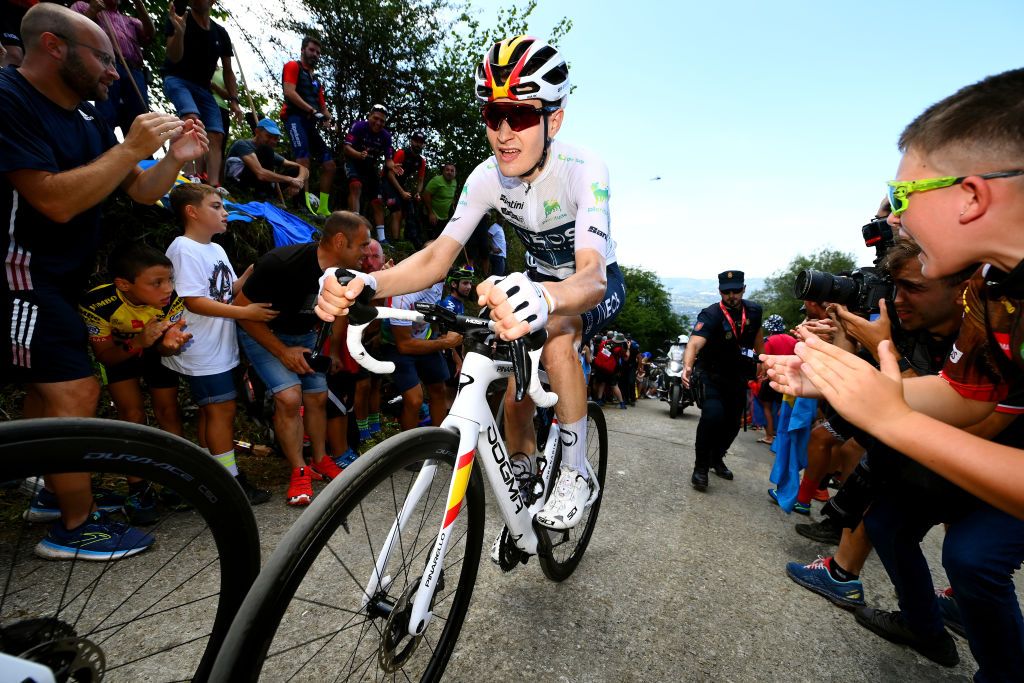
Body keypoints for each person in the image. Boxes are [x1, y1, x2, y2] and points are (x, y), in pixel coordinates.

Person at [763, 68, 1024, 683]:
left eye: (902, 199)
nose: (891, 227)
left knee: (972, 556)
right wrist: (845, 381)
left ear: (970, 196)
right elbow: (962, 398)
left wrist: (893, 418)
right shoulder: (992, 294)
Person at [316, 35, 624, 532]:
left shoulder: (584, 169)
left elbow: (590, 276)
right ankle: (522, 464)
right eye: (492, 116)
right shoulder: (485, 177)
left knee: (559, 340)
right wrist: (368, 283)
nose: (503, 132)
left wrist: (548, 297)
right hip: (538, 281)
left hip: (589, 284)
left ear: (554, 119)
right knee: (511, 371)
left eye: (520, 116)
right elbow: (438, 257)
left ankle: (574, 470)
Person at [1, 2, 207, 561]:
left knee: (49, 391)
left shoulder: (86, 118)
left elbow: (139, 191)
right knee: (75, 389)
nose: (114, 72)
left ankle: (47, 489)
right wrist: (130, 148)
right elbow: (52, 201)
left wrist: (171, 159)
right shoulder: (9, 97)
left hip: (57, 275)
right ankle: (74, 525)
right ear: (53, 46)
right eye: (102, 57)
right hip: (20, 273)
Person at [235, 211, 371, 505]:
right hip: (262, 332)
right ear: (339, 241)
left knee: (317, 397)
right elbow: (241, 311)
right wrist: (282, 352)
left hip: (305, 336)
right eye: (362, 245)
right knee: (289, 397)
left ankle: (320, 459)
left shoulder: (347, 275)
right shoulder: (281, 264)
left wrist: (331, 350)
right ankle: (299, 470)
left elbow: (335, 313)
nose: (367, 252)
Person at [163, 183, 273, 505]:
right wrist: (244, 311)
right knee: (220, 410)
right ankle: (229, 483)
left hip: (220, 347)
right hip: (199, 349)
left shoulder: (216, 248)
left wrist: (251, 274)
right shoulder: (183, 249)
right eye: (216, 206)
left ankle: (207, 478)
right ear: (192, 212)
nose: (225, 213)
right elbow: (193, 301)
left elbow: (223, 291)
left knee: (214, 412)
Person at [79, 243, 191, 523]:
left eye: (169, 280)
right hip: (122, 352)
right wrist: (139, 342)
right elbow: (106, 357)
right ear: (123, 284)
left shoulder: (173, 299)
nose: (167, 288)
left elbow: (168, 349)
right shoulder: (97, 303)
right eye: (157, 283)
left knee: (168, 411)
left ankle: (174, 480)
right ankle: (138, 488)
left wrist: (169, 345)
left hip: (155, 353)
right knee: (131, 415)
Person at [683, 270, 764, 491]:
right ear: (720, 292)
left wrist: (762, 360)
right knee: (712, 416)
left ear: (744, 289)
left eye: (736, 291)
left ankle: (716, 458)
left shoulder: (754, 311)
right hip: (711, 375)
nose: (732, 296)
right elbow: (694, 343)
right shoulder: (711, 314)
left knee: (732, 425)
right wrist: (688, 366)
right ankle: (700, 469)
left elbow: (757, 335)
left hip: (738, 376)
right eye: (727, 292)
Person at [163, 0, 242, 190]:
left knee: (216, 133)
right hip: (177, 79)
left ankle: (213, 184)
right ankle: (190, 175)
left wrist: (233, 100)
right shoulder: (180, 18)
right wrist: (180, 33)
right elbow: (173, 56)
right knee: (191, 119)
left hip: (204, 88)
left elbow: (228, 71)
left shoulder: (220, 33)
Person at [379, 275, 463, 431]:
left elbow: (434, 311)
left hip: (426, 339)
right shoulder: (403, 294)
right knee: (414, 400)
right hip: (397, 345)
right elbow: (404, 346)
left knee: (439, 390)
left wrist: (440, 336)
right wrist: (445, 343)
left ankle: (439, 440)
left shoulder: (439, 278)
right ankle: (409, 448)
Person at [72, 0, 153, 138]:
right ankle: (103, 152)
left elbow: (149, 34)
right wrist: (92, 11)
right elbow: (71, 31)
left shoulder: (129, 20)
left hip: (134, 71)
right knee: (106, 115)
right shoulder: (83, 6)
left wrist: (139, 4)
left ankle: (144, 157)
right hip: (105, 67)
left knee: (140, 119)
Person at [281, 36, 335, 217]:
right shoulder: (293, 66)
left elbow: (323, 107)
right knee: (303, 159)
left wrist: (329, 119)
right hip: (294, 118)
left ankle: (323, 208)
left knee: (329, 164)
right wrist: (311, 110)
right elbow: (289, 91)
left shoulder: (316, 80)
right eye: (312, 50)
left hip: (311, 122)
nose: (315, 55)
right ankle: (301, 203)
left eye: (318, 53)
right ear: (303, 49)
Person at [342, 103, 395, 243]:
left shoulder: (386, 136)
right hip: (353, 160)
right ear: (369, 116)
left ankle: (382, 239)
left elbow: (389, 160)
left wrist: (393, 166)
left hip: (369, 166)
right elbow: (346, 148)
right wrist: (358, 155)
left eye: (382, 121)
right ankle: (354, 227)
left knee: (377, 200)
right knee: (356, 186)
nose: (378, 123)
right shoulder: (358, 126)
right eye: (375, 118)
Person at [224, 117, 308, 200]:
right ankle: (262, 195)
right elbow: (260, 173)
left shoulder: (268, 152)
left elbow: (303, 168)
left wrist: (298, 181)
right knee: (266, 150)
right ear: (257, 132)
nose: (272, 141)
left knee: (296, 169)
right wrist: (290, 180)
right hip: (238, 182)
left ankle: (299, 205)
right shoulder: (242, 144)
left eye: (275, 138)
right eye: (268, 136)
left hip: (259, 183)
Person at [383, 130, 426, 247]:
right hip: (388, 181)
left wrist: (418, 193)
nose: (418, 144)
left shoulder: (421, 161)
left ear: (423, 145)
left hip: (401, 184)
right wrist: (401, 192)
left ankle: (404, 239)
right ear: (411, 141)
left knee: (408, 211)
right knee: (396, 211)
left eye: (421, 142)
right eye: (416, 141)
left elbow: (421, 180)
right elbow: (390, 174)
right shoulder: (402, 153)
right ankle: (395, 243)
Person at [422, 162, 456, 237]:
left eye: (452, 171)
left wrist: (451, 200)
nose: (449, 172)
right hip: (432, 216)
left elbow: (450, 194)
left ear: (455, 173)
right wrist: (431, 213)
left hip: (444, 217)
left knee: (441, 239)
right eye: (447, 170)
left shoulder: (454, 182)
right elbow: (425, 195)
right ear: (443, 171)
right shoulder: (436, 180)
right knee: (431, 240)